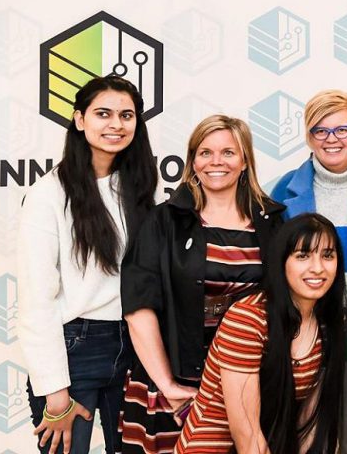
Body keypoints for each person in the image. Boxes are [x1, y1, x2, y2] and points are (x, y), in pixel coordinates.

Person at [120, 115, 285, 453]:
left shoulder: (273, 222)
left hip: (248, 383)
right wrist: (167, 384)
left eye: (228, 152)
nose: (216, 162)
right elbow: (138, 308)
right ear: (192, 161)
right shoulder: (162, 220)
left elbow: (285, 303)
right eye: (205, 152)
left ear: (244, 161)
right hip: (174, 386)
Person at [17, 75, 158, 454]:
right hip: (74, 349)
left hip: (136, 344)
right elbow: (36, 300)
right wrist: (55, 393)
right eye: (103, 114)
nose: (116, 124)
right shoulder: (49, 195)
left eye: (126, 115)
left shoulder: (139, 188)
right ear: (80, 120)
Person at [271, 89, 347, 454]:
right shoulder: (283, 191)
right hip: (306, 326)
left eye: (342, 130)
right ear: (309, 137)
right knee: (306, 437)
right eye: (320, 131)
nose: (332, 140)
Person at [175, 213, 346, 453]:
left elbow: (308, 423)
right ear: (282, 262)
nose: (317, 268)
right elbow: (246, 432)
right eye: (303, 256)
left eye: (327, 255)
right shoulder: (247, 318)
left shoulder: (327, 325)